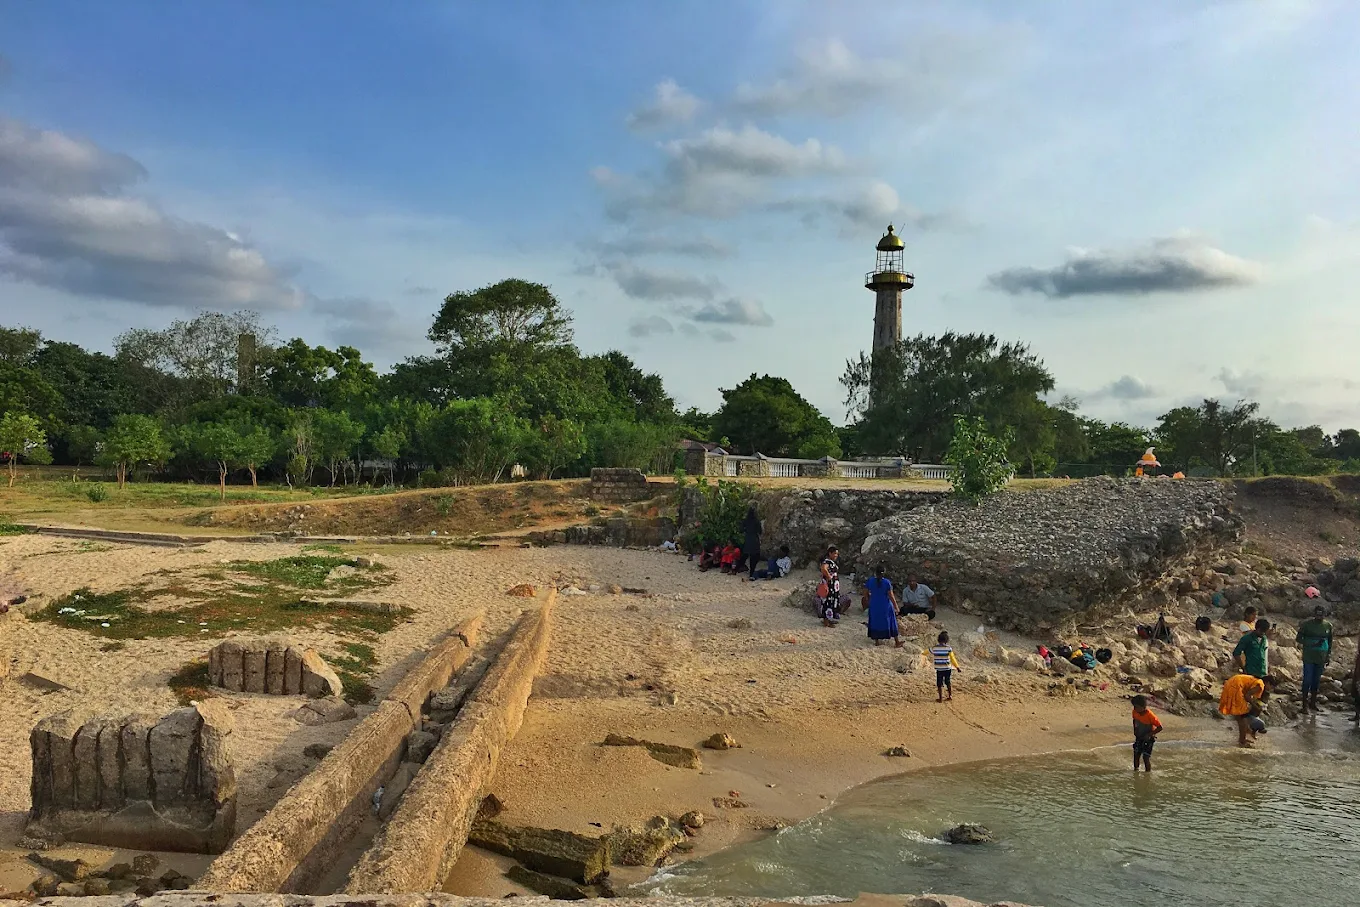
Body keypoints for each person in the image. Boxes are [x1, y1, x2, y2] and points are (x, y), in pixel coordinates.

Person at [1219, 673, 1277, 747]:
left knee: (1240, 716)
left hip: (1233, 684)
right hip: (1235, 686)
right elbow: (1247, 696)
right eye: (1271, 687)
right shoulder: (1260, 685)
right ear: (1268, 683)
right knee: (1243, 717)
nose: (1270, 689)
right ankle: (1242, 741)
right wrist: (1255, 706)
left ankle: (1242, 739)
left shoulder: (1257, 681)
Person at [1296, 605, 1334, 713]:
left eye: (1321, 614)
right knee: (1307, 680)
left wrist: (1328, 655)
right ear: (1314, 614)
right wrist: (1312, 643)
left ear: (1324, 615)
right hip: (1309, 656)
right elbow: (1299, 638)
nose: (1319, 616)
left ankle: (1313, 703)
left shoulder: (1328, 626)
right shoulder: (1307, 625)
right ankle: (1304, 705)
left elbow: (1330, 641)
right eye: (1317, 614)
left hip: (1321, 657)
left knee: (1316, 681)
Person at [861, 563, 904, 648]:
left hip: (874, 604)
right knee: (891, 622)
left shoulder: (870, 581)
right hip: (885, 605)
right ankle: (897, 642)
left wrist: (868, 599)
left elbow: (865, 592)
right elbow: (891, 596)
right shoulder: (886, 582)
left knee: (875, 621)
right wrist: (896, 606)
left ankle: (877, 641)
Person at [1130, 695, 1162, 772]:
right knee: (1136, 754)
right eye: (1134, 706)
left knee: (1145, 757)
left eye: (1136, 707)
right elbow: (1134, 720)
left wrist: (1150, 734)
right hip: (1139, 736)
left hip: (1148, 739)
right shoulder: (1135, 712)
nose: (1134, 708)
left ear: (1143, 707)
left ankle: (1147, 773)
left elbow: (1160, 727)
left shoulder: (1150, 716)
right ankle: (1136, 770)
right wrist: (1135, 729)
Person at [931, 631, 961, 702]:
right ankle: (950, 696)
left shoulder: (934, 648)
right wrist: (957, 667)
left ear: (938, 639)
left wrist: (922, 653)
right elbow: (953, 658)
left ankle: (940, 698)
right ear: (947, 640)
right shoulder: (948, 648)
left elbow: (926, 652)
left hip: (939, 669)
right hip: (947, 668)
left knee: (939, 683)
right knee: (948, 682)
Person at [819, 546, 841, 627]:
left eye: (837, 554)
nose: (836, 555)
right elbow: (823, 569)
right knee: (828, 602)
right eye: (834, 553)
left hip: (834, 586)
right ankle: (826, 621)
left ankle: (829, 619)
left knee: (832, 602)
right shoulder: (827, 561)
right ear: (830, 553)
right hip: (830, 586)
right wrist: (829, 577)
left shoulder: (831, 562)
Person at [741, 504, 763, 580]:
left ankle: (738, 567)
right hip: (754, 539)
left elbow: (741, 529)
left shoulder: (745, 521)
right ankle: (752, 573)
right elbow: (760, 531)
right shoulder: (757, 521)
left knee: (746, 554)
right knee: (755, 556)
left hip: (747, 539)